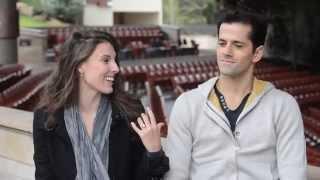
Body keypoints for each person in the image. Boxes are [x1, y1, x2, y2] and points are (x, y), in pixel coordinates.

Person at [165, 9, 307, 180]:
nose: (226, 51)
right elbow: (176, 174)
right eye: (222, 43)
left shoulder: (284, 106)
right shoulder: (187, 104)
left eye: (237, 45)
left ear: (257, 53)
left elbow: (293, 173)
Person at [33, 30, 169, 180]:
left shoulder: (130, 111)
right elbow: (44, 176)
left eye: (115, 60)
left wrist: (154, 152)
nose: (116, 68)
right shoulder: (46, 117)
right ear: (80, 65)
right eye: (106, 60)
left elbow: (144, 176)